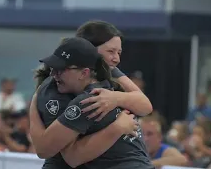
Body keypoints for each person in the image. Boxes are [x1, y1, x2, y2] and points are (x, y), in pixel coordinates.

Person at [30, 37, 154, 169]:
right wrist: (117, 127)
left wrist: (118, 102)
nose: (54, 74)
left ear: (84, 73)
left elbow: (69, 157)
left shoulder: (89, 100)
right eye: (53, 68)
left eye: (61, 69)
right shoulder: (107, 84)